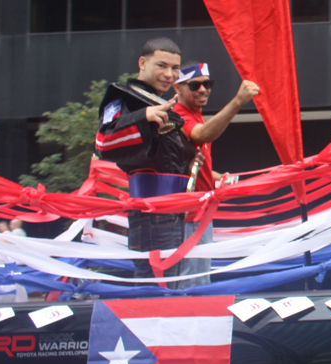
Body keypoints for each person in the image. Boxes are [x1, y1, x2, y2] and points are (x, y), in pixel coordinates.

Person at [95, 37, 199, 288]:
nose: (169, 74)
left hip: (173, 212)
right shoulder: (122, 97)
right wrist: (144, 116)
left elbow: (162, 156)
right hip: (153, 214)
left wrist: (189, 157)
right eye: (161, 65)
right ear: (143, 62)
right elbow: (103, 144)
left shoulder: (163, 104)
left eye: (175, 68)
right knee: (159, 290)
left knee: (173, 289)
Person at [173, 62, 260, 288]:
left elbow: (191, 165)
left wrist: (216, 177)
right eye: (194, 85)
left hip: (197, 209)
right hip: (187, 212)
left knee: (198, 276)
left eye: (207, 84)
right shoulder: (177, 114)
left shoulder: (192, 114)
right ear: (178, 88)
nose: (203, 89)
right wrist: (238, 101)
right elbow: (202, 135)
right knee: (193, 280)